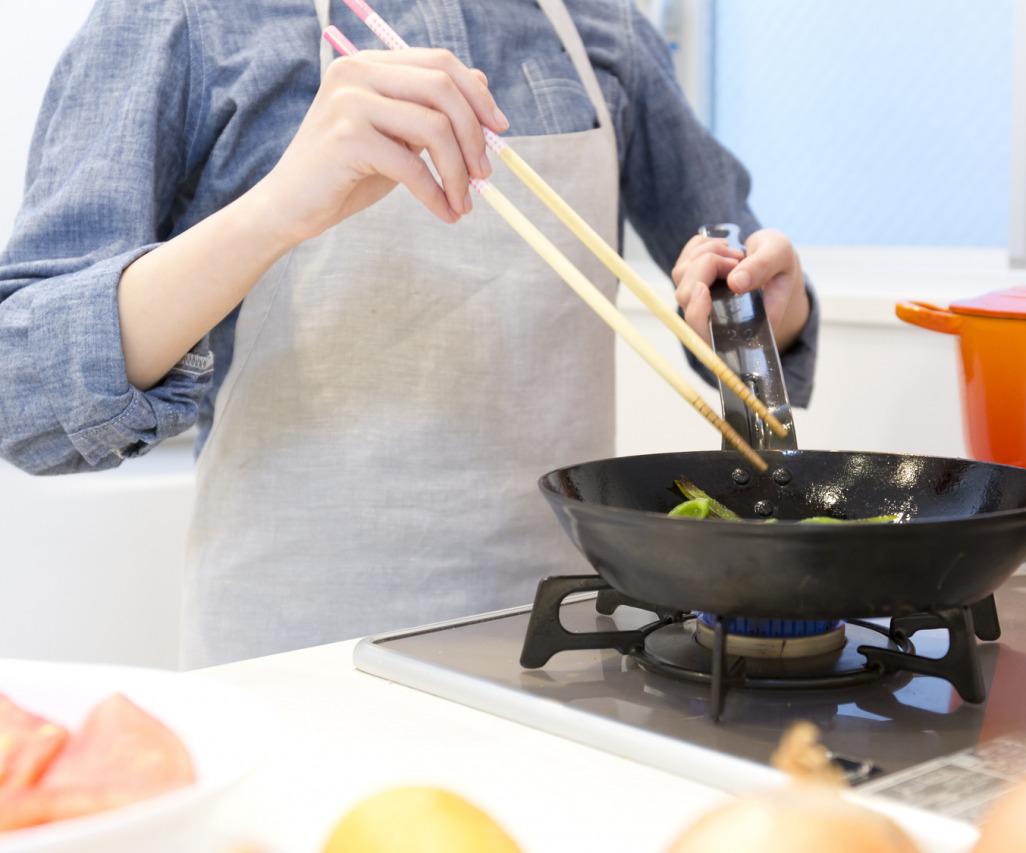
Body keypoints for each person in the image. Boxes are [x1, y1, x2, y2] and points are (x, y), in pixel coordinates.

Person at [0, 0, 818, 667]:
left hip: (571, 644)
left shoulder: (605, 25)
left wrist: (766, 314)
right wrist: (277, 208)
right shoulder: (181, 17)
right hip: (291, 657)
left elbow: (734, 284)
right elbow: (22, 387)